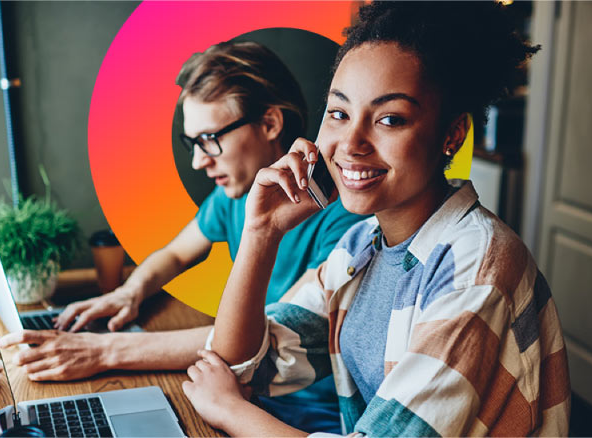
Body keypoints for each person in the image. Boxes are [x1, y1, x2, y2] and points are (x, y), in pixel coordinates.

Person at [181, 3, 571, 436]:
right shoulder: (362, 246)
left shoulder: (476, 271)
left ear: (452, 135)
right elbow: (244, 365)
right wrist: (261, 232)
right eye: (339, 113)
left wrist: (230, 410)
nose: (350, 143)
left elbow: (229, 390)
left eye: (389, 119)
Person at [0, 41, 366, 433]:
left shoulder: (344, 220)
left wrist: (104, 350)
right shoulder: (233, 196)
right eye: (192, 143)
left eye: (210, 139)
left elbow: (265, 340)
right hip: (235, 392)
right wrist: (130, 292)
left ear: (271, 123)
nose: (198, 160)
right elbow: (174, 254)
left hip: (299, 417)